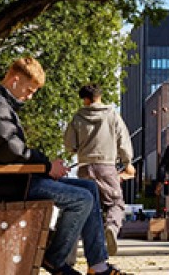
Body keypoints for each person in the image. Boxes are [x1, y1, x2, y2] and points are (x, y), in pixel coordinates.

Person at [0, 57, 129, 275]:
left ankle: (97, 265)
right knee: (81, 199)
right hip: (1, 183)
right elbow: (8, 150)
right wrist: (47, 166)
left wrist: (45, 166)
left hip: (12, 177)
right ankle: (54, 260)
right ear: (15, 79)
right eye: (29, 90)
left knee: (90, 188)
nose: (29, 97)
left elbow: (9, 148)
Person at [64, 83, 135, 256]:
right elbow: (123, 141)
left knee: (85, 207)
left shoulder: (77, 117)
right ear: (99, 96)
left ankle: (70, 253)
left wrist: (78, 148)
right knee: (115, 202)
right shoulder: (112, 115)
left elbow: (69, 144)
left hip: (84, 168)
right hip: (106, 166)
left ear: (86, 99)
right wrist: (127, 162)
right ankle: (111, 227)